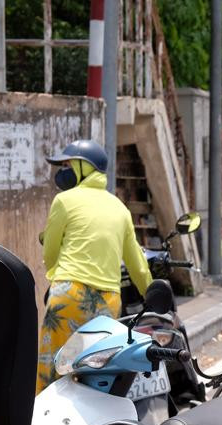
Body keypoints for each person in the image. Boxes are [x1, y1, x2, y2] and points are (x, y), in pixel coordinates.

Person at [37, 140, 153, 394]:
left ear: (83, 167)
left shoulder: (64, 200)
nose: (63, 170)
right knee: (96, 377)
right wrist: (151, 294)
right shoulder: (120, 208)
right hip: (108, 303)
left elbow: (51, 252)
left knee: (51, 372)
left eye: (67, 164)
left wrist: (57, 277)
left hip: (69, 295)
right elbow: (137, 264)